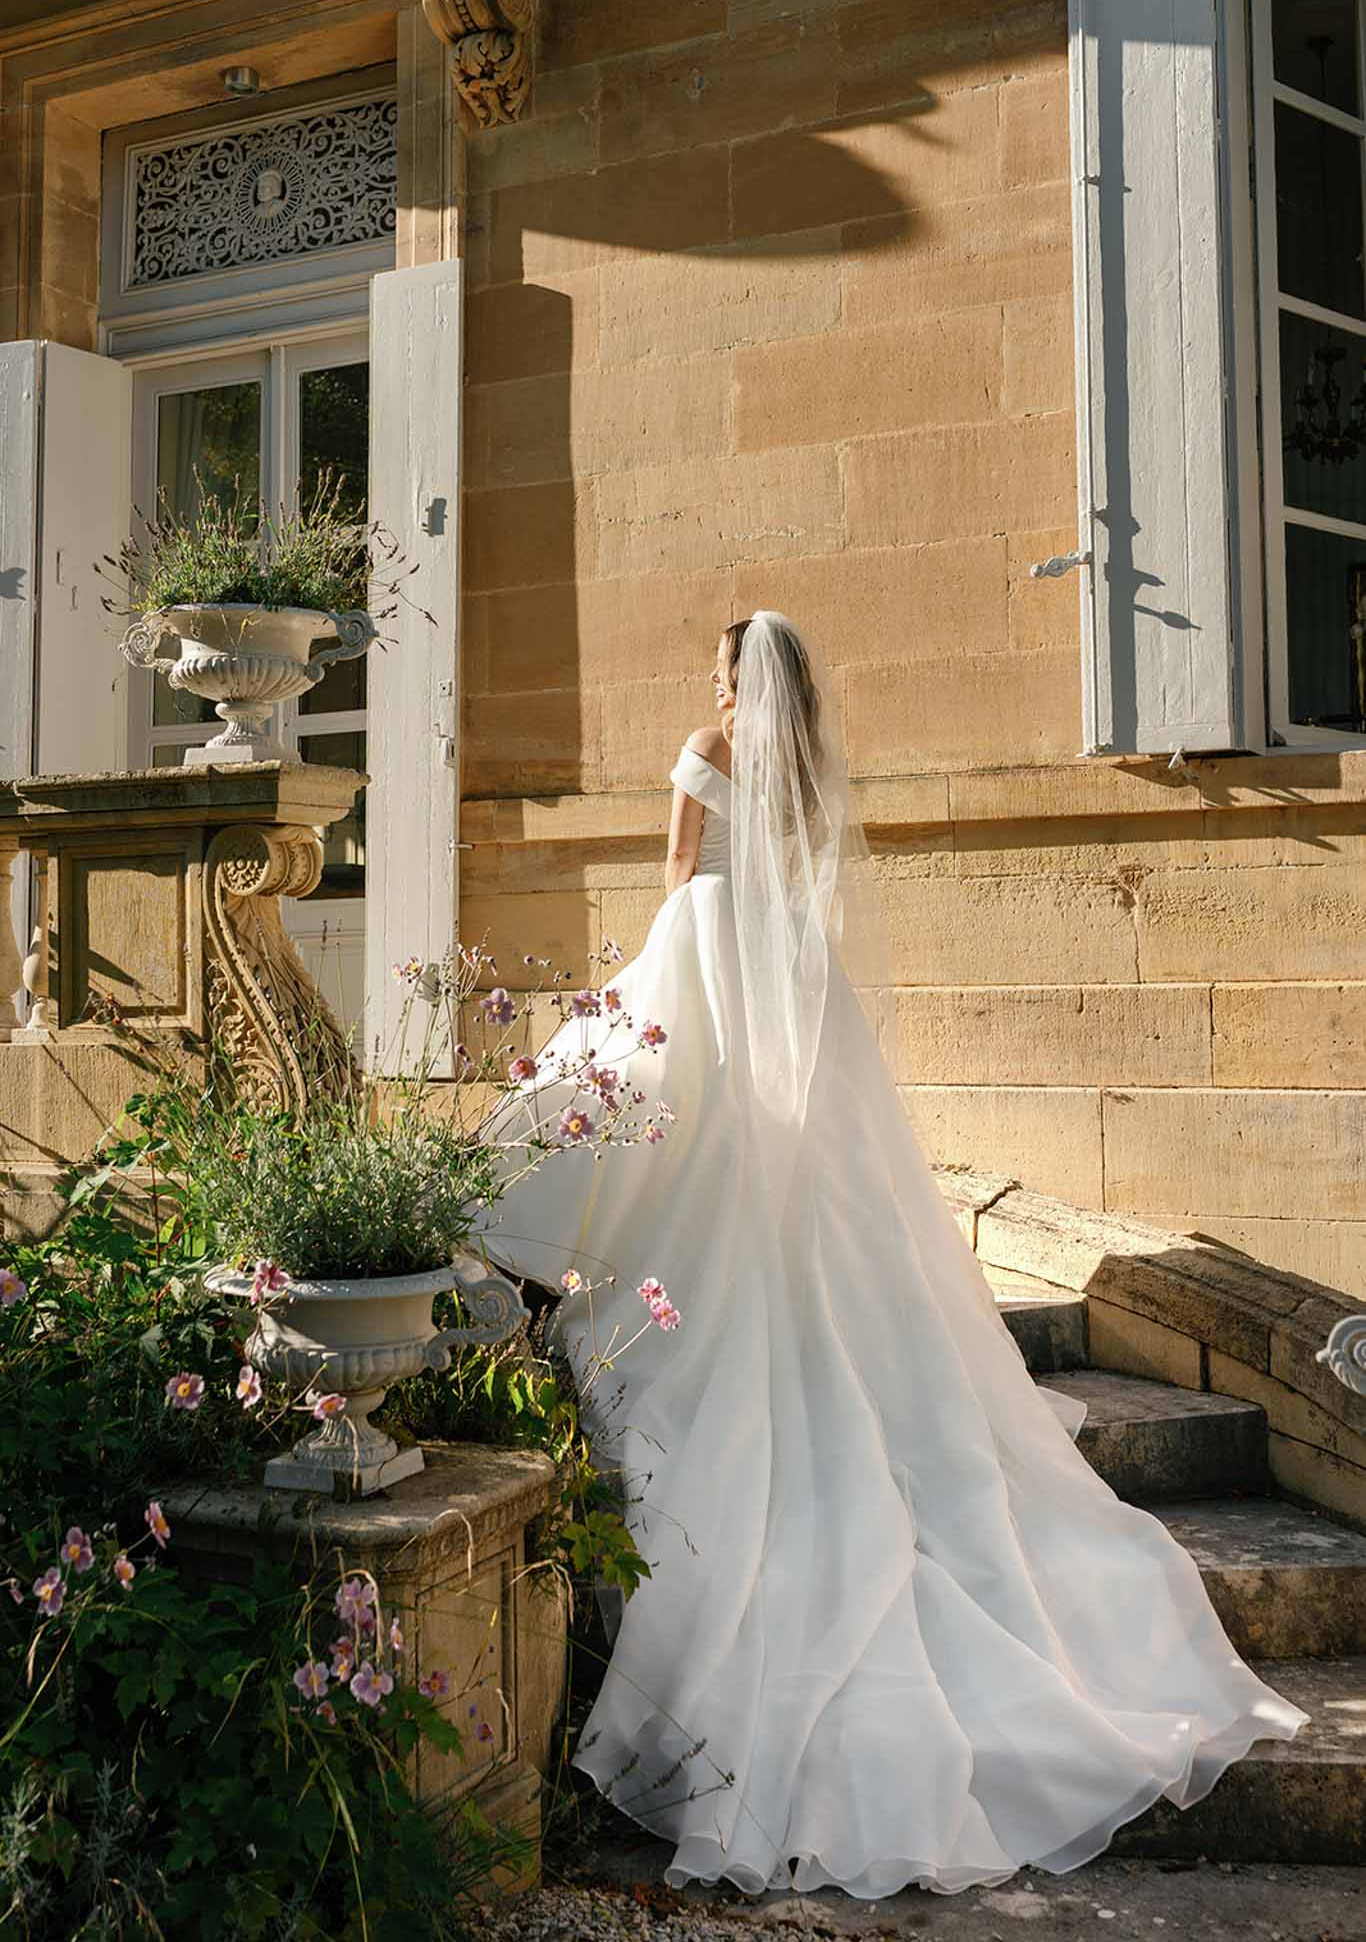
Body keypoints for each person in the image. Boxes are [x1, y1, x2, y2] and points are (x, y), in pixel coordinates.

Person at [473, 610, 1307, 1899]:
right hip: (789, 975)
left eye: (716, 667)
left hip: (706, 957)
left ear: (733, 683)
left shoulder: (707, 745)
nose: (710, 686)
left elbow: (678, 874)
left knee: (639, 1106)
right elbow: (800, 882)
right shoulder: (808, 768)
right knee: (820, 1206)